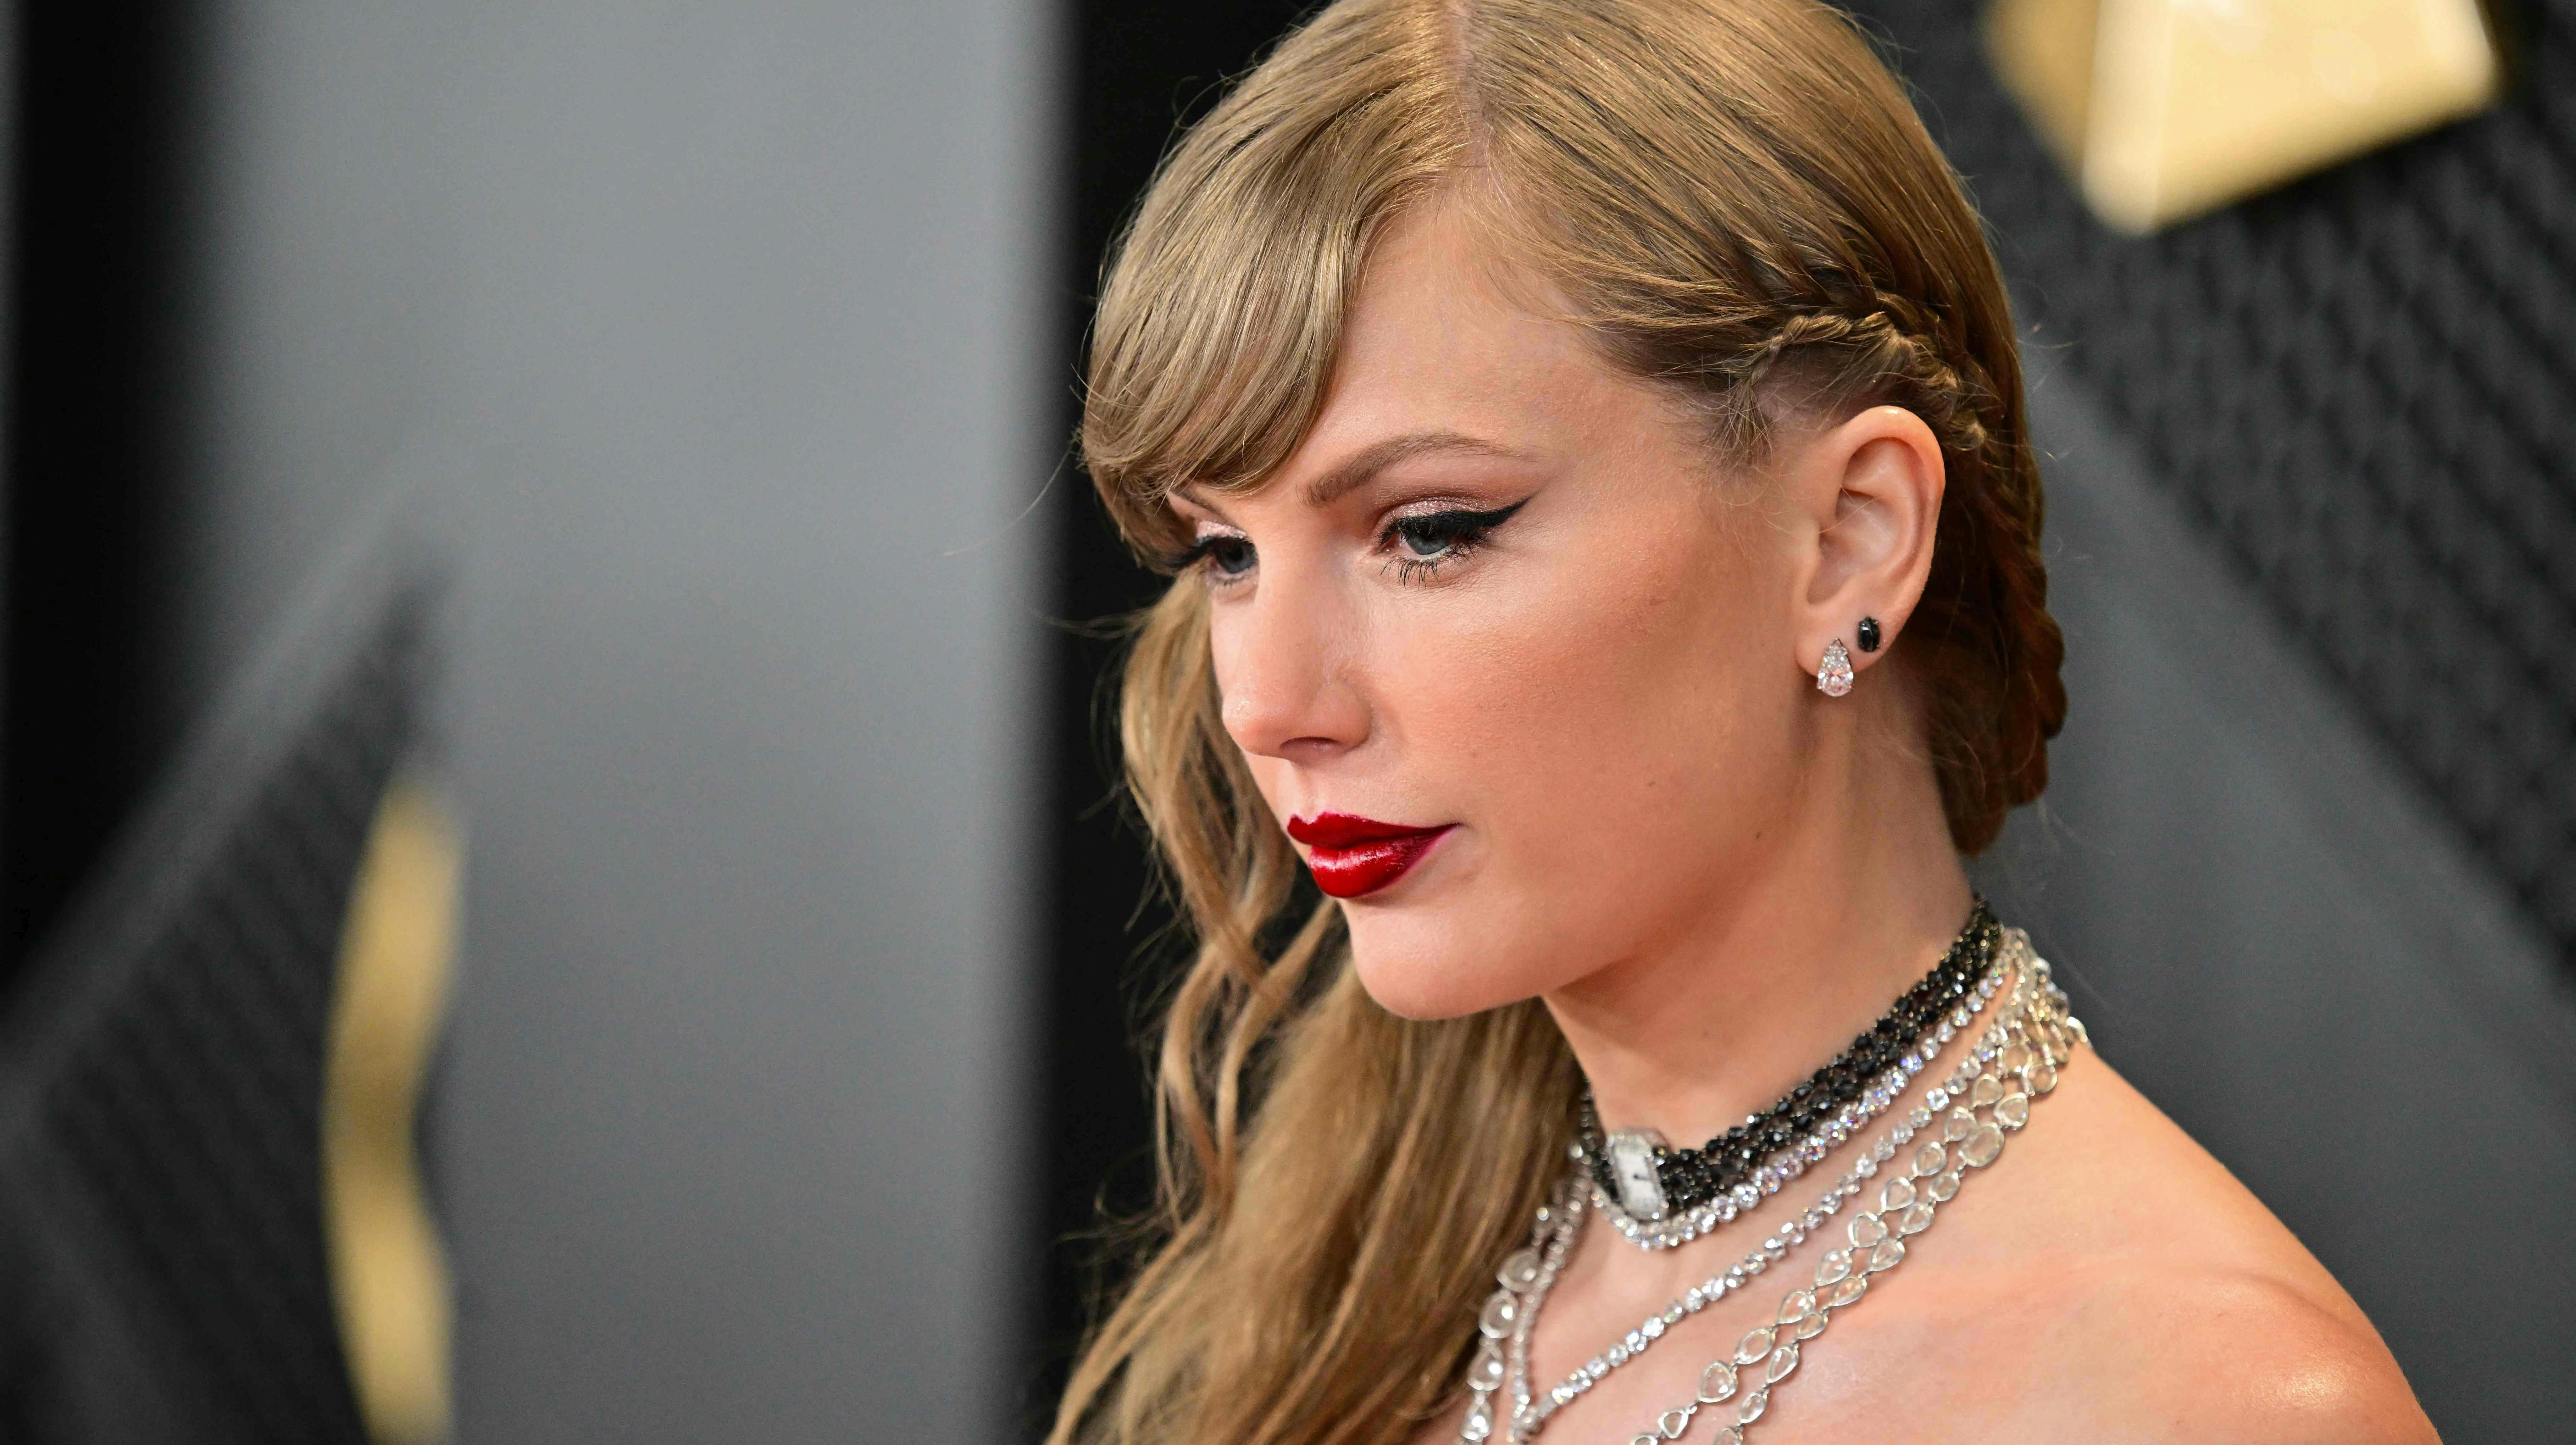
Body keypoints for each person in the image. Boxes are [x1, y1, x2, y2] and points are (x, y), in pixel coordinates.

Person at [1048, 2, 2438, 1442]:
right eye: (1224, 555)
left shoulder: (2201, 1404)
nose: (1266, 705)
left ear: (1848, 537)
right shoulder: (1379, 1281)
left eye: (1431, 529)